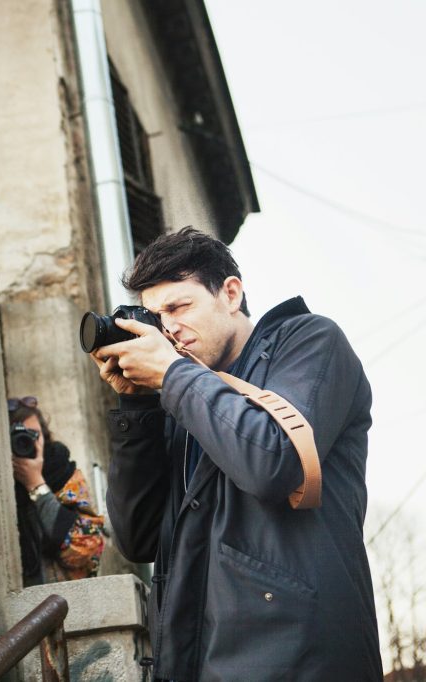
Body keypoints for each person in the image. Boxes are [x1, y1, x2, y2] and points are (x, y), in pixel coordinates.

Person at [89, 227, 382, 681]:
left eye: (178, 307)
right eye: (155, 316)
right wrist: (139, 408)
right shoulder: (184, 392)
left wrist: (171, 374)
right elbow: (138, 537)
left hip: (301, 662)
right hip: (203, 664)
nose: (168, 328)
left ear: (230, 293)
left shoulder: (309, 342)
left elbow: (276, 462)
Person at [7, 396, 105, 587]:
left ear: (44, 436)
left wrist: (36, 485)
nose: (26, 441)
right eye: (16, 436)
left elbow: (87, 548)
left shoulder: (64, 473)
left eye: (33, 434)